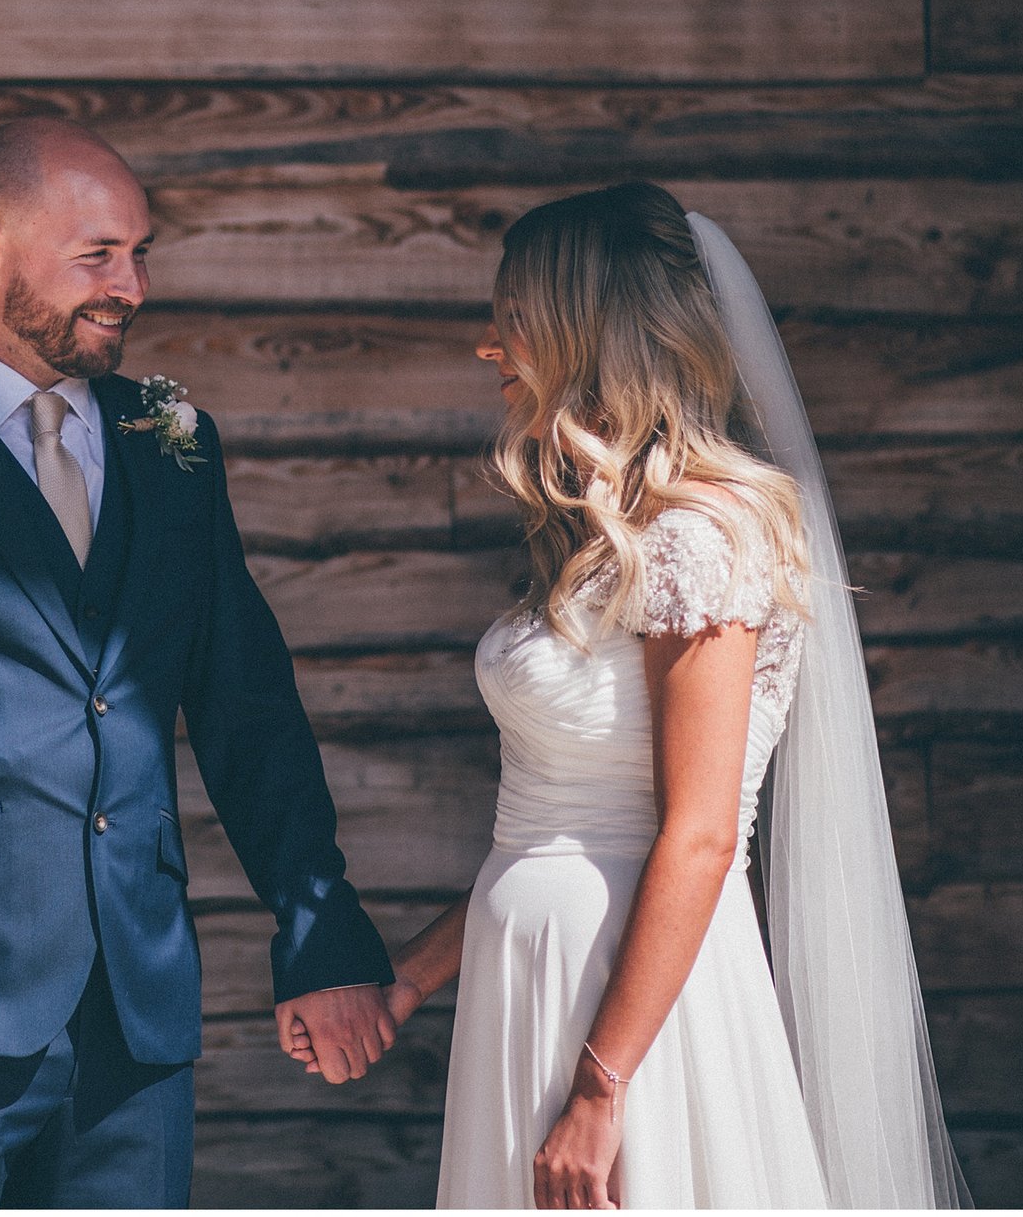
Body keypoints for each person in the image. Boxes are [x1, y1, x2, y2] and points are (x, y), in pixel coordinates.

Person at [0, 119, 398, 1208]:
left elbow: (246, 709)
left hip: (133, 1011)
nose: (130, 285)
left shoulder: (169, 434)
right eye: (97, 254)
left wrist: (318, 930)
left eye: (140, 253)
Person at [325, 182, 969, 1208]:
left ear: (592, 333)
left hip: (631, 1008)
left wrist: (602, 1084)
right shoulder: (605, 531)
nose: (493, 347)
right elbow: (550, 831)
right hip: (531, 977)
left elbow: (702, 832)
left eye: (519, 320)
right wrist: (414, 974)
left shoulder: (700, 536)